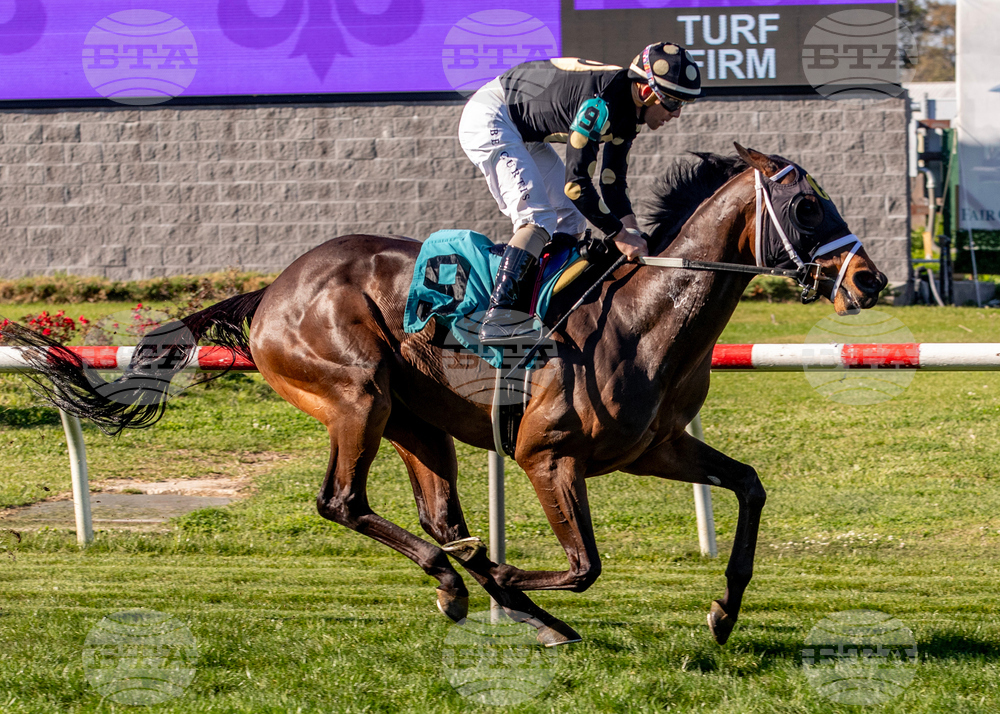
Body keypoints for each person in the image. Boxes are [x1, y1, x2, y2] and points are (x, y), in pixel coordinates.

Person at [459, 41, 702, 344]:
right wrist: (619, 234)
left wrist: (631, 231)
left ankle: (546, 304)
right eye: (673, 102)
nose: (677, 114)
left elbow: (612, 184)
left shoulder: (628, 110)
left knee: (571, 220)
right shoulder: (599, 106)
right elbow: (576, 185)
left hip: (521, 128)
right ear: (645, 91)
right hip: (492, 117)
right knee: (537, 218)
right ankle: (499, 316)